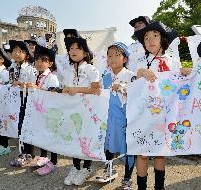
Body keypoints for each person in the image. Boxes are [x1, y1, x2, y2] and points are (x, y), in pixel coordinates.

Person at [134, 21, 191, 190]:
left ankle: (160, 186)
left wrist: (186, 72)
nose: (150, 40)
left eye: (155, 36)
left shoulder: (174, 62)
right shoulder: (142, 62)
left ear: (163, 39)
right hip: (144, 115)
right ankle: (141, 187)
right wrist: (141, 73)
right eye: (146, 37)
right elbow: (134, 81)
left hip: (166, 115)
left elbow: (183, 80)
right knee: (142, 153)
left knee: (161, 151)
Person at [61, 37, 100, 186]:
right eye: (71, 48)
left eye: (77, 48)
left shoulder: (91, 69)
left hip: (88, 111)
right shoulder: (67, 70)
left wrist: (76, 89)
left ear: (85, 53)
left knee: (86, 139)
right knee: (74, 139)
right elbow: (66, 90)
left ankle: (87, 168)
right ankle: (75, 167)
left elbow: (96, 89)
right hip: (72, 111)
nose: (73, 51)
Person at [96, 42, 135, 190]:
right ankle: (109, 169)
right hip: (107, 119)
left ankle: (127, 180)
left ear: (125, 59)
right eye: (109, 55)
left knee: (128, 149)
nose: (111, 58)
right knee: (108, 146)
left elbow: (138, 97)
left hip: (124, 120)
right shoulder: (105, 77)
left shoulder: (131, 77)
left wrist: (124, 89)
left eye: (116, 55)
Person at [26, 45, 60, 175]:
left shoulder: (52, 77)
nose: (39, 63)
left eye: (43, 61)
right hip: (38, 112)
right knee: (42, 135)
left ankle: (54, 162)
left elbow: (53, 94)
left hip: (49, 113)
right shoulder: (36, 76)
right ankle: (43, 158)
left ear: (50, 63)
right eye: (37, 60)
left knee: (51, 136)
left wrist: (37, 89)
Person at [7, 40, 37, 167]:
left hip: (27, 99)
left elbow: (34, 86)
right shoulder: (12, 67)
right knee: (19, 126)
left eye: (20, 51)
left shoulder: (31, 69)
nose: (17, 53)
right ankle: (23, 153)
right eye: (14, 51)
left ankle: (28, 154)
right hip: (15, 100)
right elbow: (9, 83)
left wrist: (21, 84)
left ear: (27, 55)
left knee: (26, 126)